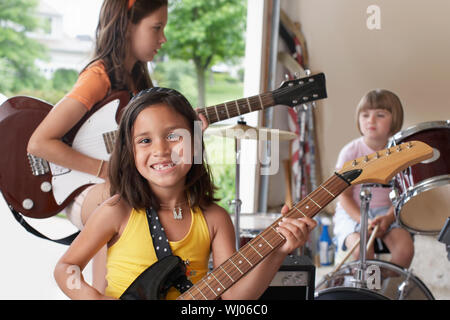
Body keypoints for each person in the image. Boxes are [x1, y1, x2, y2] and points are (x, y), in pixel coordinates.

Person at [53, 87, 317, 300]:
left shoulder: (215, 218)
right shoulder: (116, 211)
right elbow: (66, 268)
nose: (161, 150)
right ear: (130, 153)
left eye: (174, 136)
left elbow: (234, 298)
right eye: (145, 140)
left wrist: (278, 253)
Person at [26, 0, 207, 292]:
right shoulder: (97, 77)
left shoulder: (138, 80)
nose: (163, 39)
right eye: (157, 28)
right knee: (116, 199)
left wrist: (190, 135)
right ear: (127, 26)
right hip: (84, 188)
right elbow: (39, 142)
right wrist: (107, 169)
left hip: (115, 183)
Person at [333, 89, 414, 269]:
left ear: (394, 119)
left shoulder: (400, 153)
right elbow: (344, 196)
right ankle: (366, 289)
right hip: (353, 213)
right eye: (365, 115)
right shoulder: (350, 152)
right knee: (362, 252)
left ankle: (379, 287)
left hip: (388, 212)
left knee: (405, 251)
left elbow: (404, 194)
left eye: (380, 114)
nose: (371, 120)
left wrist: (387, 217)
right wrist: (363, 220)